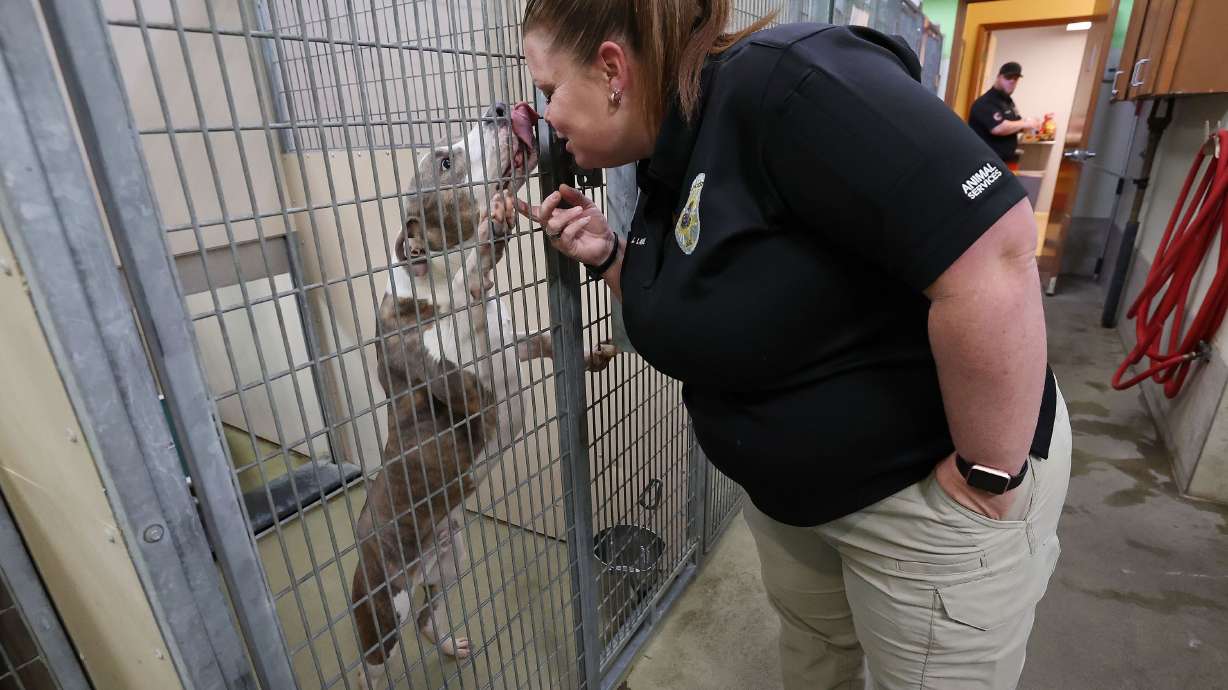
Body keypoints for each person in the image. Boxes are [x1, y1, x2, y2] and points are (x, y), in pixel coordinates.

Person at [517, 2, 1070, 688]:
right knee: (814, 656)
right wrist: (609, 257)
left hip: (918, 492)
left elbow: (997, 252)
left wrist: (985, 477)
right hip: (795, 504)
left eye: (548, 90)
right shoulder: (667, 153)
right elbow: (709, 299)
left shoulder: (789, 83)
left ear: (611, 70)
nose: (543, 116)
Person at [968, 62, 1045, 164]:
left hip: (1004, 161)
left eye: (1015, 79)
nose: (1012, 81)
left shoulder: (1008, 101)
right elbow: (998, 128)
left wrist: (1031, 124)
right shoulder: (986, 101)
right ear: (998, 77)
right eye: (1008, 77)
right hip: (985, 162)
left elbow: (1017, 124)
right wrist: (1026, 123)